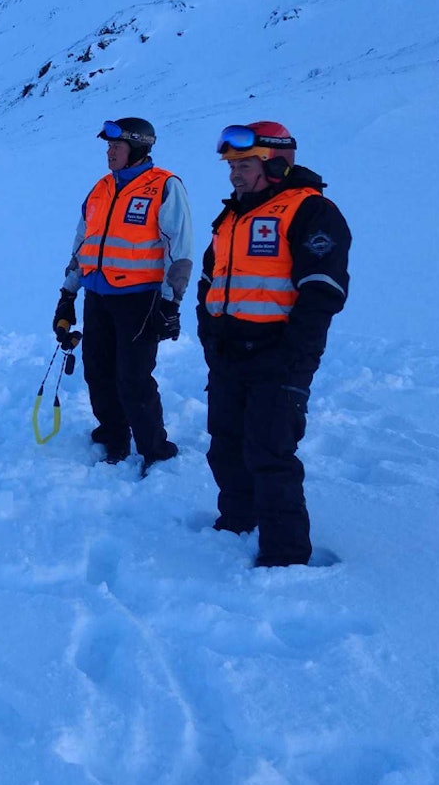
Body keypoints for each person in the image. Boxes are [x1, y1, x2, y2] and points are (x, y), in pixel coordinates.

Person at [196, 122, 351, 567]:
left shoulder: (311, 211)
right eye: (231, 166)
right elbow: (210, 280)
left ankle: (285, 556)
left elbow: (322, 290)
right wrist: (210, 335)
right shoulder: (231, 216)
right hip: (229, 352)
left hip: (279, 355)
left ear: (276, 165)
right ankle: (237, 523)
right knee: (226, 444)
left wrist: (291, 353)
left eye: (244, 165)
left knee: (270, 452)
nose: (234, 174)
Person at [53, 117, 194, 475]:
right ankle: (114, 437)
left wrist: (171, 303)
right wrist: (68, 293)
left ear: (139, 147)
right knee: (98, 373)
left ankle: (155, 451)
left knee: (133, 378)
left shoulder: (164, 186)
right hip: (97, 296)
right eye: (108, 146)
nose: (109, 152)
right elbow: (82, 244)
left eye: (116, 146)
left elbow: (179, 250)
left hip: (139, 300)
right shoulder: (100, 188)